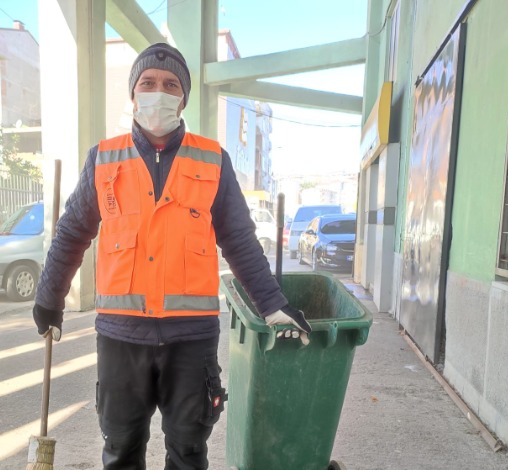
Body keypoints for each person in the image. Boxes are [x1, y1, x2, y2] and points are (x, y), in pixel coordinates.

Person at [33, 42, 312, 470]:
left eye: (170, 85)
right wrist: (50, 298)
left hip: (191, 340)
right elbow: (73, 231)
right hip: (121, 337)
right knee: (121, 450)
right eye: (148, 83)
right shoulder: (104, 160)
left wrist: (272, 304)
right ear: (133, 94)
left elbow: (238, 238)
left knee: (188, 451)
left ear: (183, 98)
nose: (158, 92)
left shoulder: (213, 159)